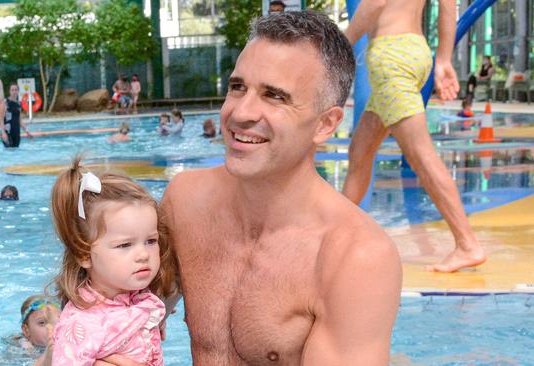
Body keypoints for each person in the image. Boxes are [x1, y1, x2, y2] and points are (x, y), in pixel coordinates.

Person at [160, 11, 400, 364]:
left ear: (325, 123)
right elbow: (116, 316)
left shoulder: (355, 257)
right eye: (237, 87)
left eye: (274, 96)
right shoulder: (186, 202)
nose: (241, 113)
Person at [343, 0, 486, 272]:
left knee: (422, 156)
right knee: (360, 151)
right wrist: (442, 59)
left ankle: (467, 244)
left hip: (391, 57)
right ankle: (339, 233)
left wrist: (342, 43)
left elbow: (376, 2)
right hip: (414, 50)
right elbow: (447, 5)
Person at [49, 160, 176, 365]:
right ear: (84, 254)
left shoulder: (141, 301)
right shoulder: (82, 324)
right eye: (125, 245)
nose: (143, 254)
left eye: (151, 241)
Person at [16, 295, 61, 366]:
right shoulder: (25, 349)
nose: (52, 328)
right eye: (42, 323)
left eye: (57, 322)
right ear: (26, 330)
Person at [3, 83, 33, 148]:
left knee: (15, 152)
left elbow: (20, 120)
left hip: (16, 132)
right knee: (9, 152)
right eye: (12, 90)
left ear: (18, 91)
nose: (14, 92)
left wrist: (27, 131)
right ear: (9, 91)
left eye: (16, 90)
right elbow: (1, 118)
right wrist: (3, 133)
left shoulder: (19, 104)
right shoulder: (5, 102)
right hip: (7, 132)